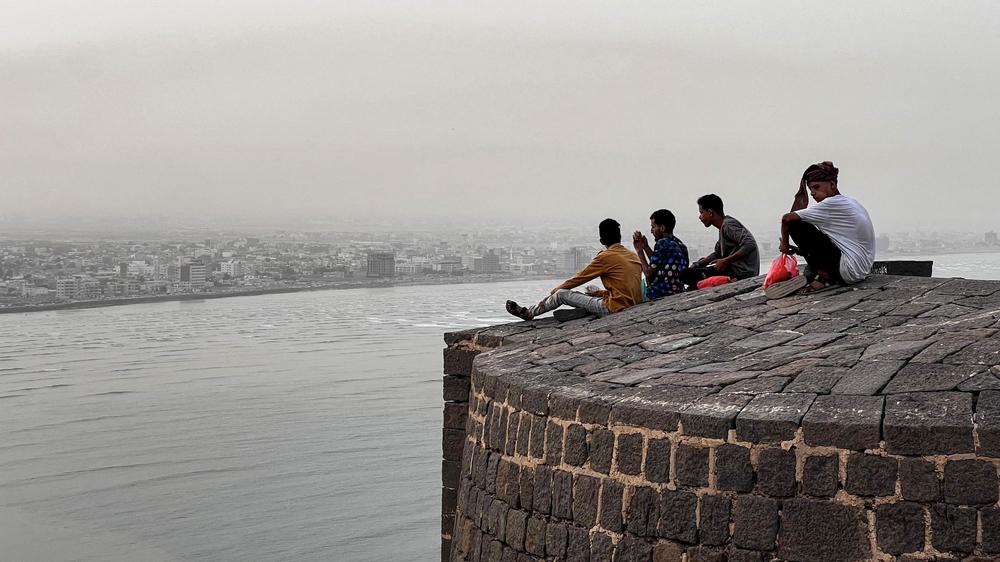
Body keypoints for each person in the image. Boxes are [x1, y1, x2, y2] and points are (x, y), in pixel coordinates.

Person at [766, 161, 876, 298]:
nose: (812, 193)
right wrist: (800, 251)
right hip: (862, 270)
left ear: (832, 185)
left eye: (816, 187)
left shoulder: (830, 204)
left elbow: (786, 219)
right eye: (810, 189)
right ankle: (817, 272)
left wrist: (785, 245)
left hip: (848, 270)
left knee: (796, 225)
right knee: (816, 230)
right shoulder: (850, 201)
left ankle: (825, 277)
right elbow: (833, 242)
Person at [506, 219, 642, 320]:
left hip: (614, 308)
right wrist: (600, 293)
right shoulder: (632, 255)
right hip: (634, 303)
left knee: (561, 294)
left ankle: (530, 313)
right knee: (591, 289)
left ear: (601, 241)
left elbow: (579, 278)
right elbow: (626, 288)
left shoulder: (605, 257)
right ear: (619, 237)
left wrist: (552, 293)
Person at [681, 194, 759, 290]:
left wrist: (726, 261)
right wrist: (699, 263)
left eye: (701, 212)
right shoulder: (723, 227)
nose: (700, 217)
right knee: (693, 276)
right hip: (733, 270)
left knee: (686, 274)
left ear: (710, 212)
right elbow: (717, 253)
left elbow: (750, 244)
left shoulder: (728, 225)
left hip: (740, 273)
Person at [632, 209, 689, 300]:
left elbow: (647, 273)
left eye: (653, 227)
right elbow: (659, 263)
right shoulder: (680, 244)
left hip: (661, 292)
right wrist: (646, 247)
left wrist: (639, 251)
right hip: (678, 290)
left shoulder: (662, 243)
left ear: (662, 228)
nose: (651, 231)